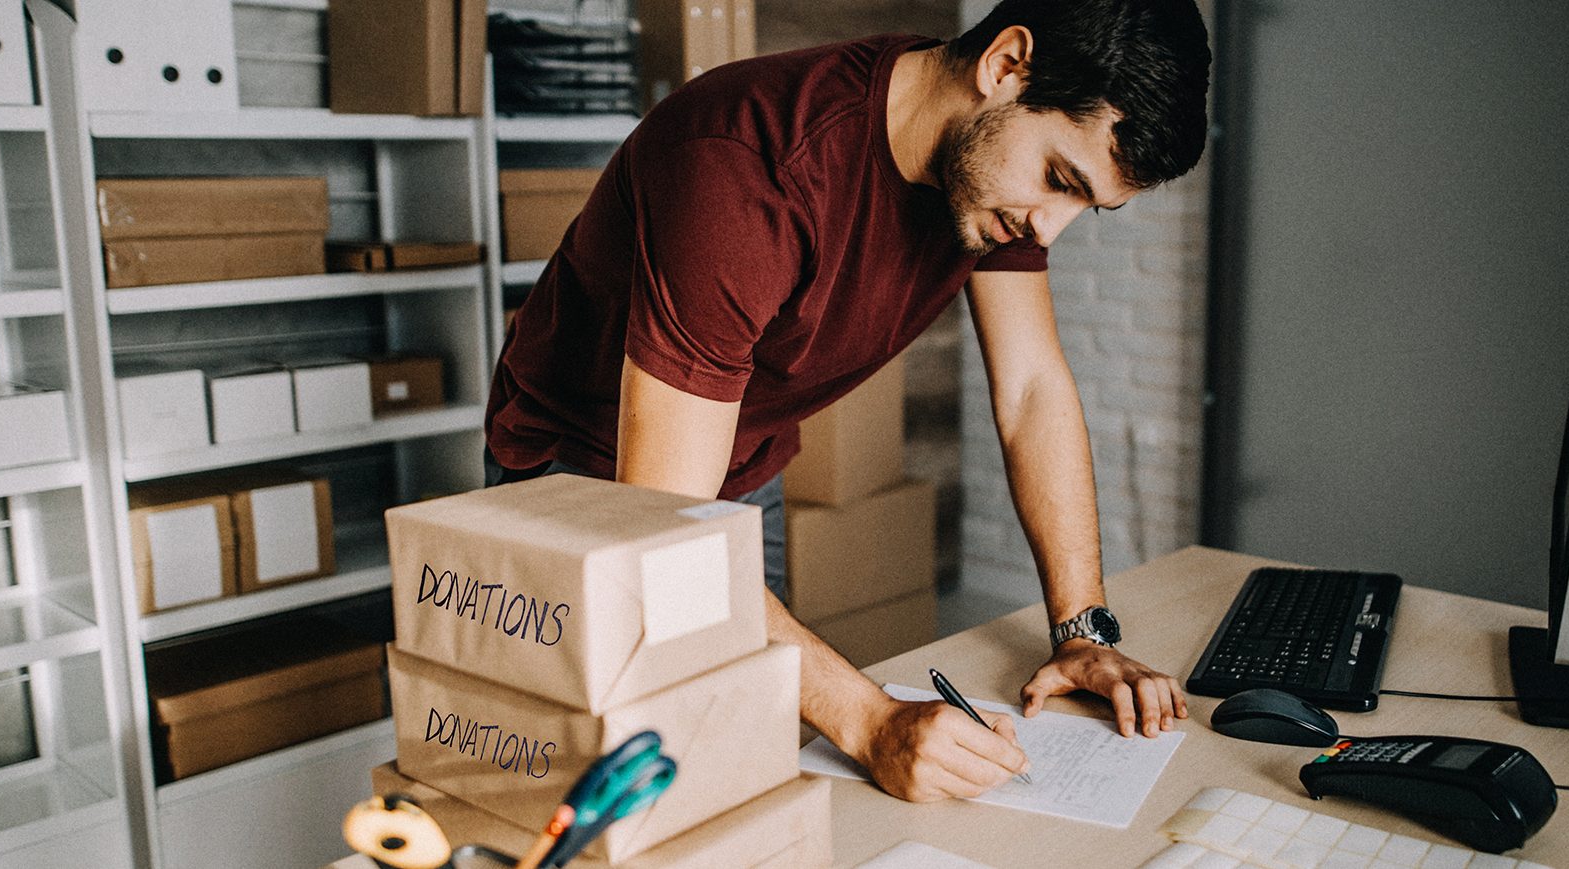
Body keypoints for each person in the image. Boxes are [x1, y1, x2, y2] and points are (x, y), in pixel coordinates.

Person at [486, 0, 1211, 802]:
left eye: (1086, 206)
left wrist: (1081, 631)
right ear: (1005, 65)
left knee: (737, 769)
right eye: (1059, 180)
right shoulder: (748, 166)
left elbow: (1033, 388)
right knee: (589, 796)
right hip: (580, 479)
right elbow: (662, 530)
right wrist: (869, 721)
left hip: (738, 466)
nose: (1050, 229)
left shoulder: (985, 177)